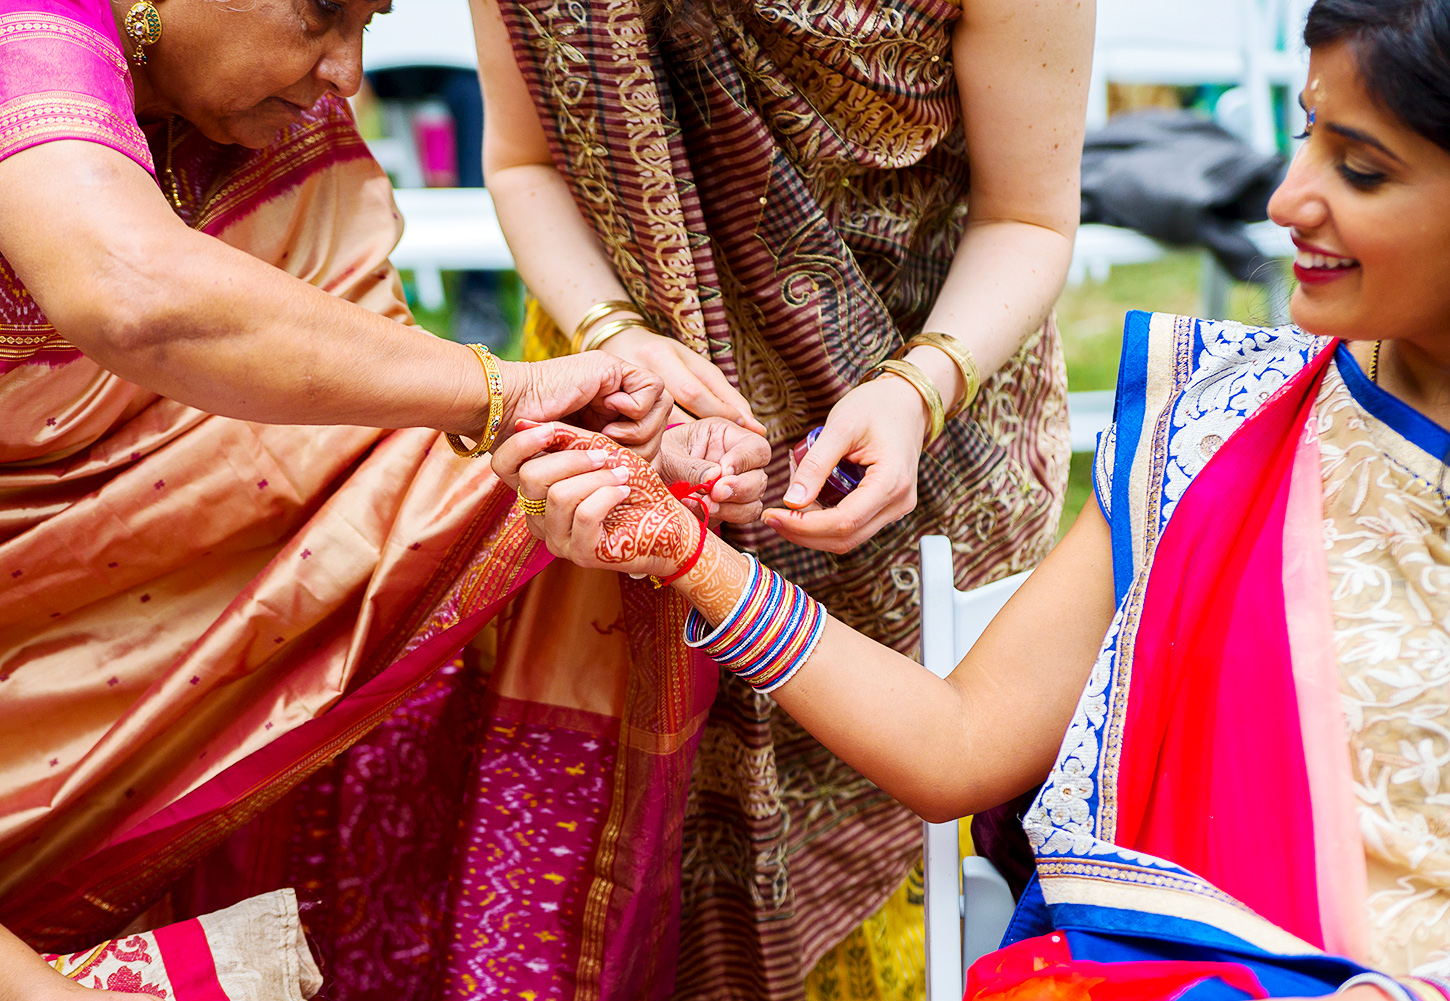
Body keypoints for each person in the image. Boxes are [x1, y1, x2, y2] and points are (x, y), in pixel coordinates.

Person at [497, 0, 1450, 995]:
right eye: (1305, 136)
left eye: (1360, 168)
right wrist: (690, 556)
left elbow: (1027, 212)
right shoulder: (1214, 424)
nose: (1285, 198)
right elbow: (955, 741)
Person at [0, 0, 771, 995]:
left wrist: (600, 464)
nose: (347, 73)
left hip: (145, 656)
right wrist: (506, 393)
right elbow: (132, 290)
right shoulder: (29, 29)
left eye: (372, 23)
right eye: (322, 14)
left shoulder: (262, 103)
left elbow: (341, 435)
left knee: (579, 529)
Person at [470, 0, 1089, 987]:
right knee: (633, 852)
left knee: (909, 831)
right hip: (632, 422)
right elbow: (524, 160)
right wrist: (614, 335)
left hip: (924, 428)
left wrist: (914, 390)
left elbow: (1029, 213)